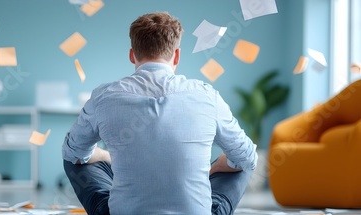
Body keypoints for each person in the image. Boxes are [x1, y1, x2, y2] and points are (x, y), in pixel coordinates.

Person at [62, 12, 257, 215]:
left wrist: (105, 156)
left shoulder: (104, 96)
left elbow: (72, 153)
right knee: (243, 160)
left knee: (75, 159)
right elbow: (248, 158)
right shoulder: (207, 95)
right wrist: (214, 168)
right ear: (177, 55)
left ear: (131, 55)